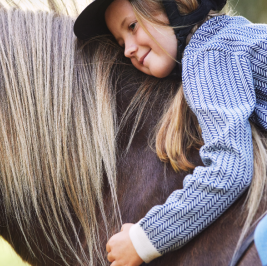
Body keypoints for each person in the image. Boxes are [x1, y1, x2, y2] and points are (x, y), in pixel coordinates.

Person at [74, 0, 267, 265]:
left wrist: (143, 240)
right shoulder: (229, 34)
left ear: (173, 7)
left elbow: (230, 169)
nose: (129, 49)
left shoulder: (209, 53)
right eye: (121, 43)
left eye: (132, 26)